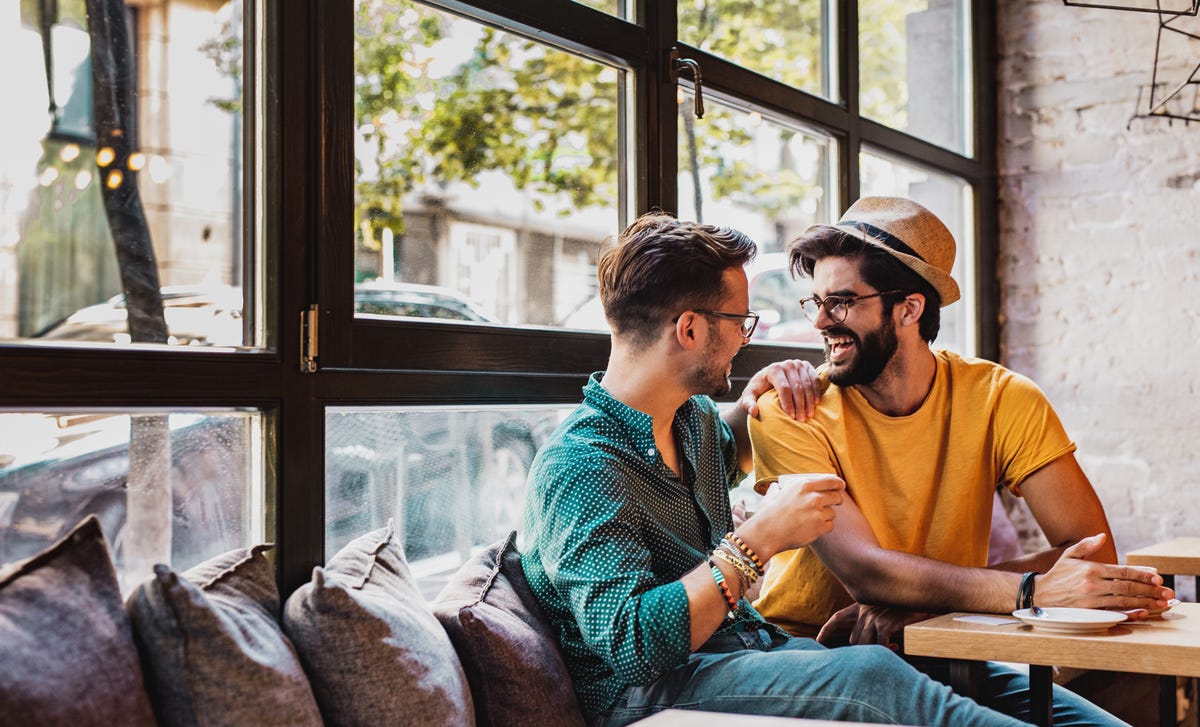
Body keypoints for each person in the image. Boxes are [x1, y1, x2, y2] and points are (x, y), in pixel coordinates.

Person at [519, 211, 1028, 726]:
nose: (746, 339)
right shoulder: (581, 466)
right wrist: (758, 541)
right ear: (690, 329)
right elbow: (632, 645)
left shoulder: (689, 421)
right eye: (740, 322)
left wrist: (762, 394)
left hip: (743, 650)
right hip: (651, 691)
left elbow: (730, 452)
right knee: (874, 675)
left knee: (921, 670)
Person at [748, 196, 1173, 725]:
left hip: (941, 643)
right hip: (816, 654)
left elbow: (1091, 549)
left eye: (841, 302)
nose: (820, 323)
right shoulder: (790, 409)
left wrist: (932, 602)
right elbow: (865, 573)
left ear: (909, 307)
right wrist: (1018, 589)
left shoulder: (1001, 396)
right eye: (815, 302)